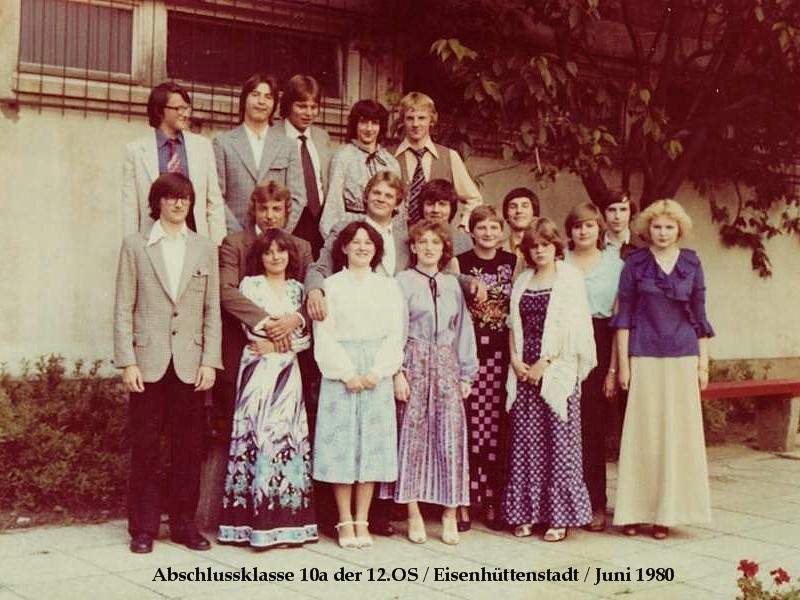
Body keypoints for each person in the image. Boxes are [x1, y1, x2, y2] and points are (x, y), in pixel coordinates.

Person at [113, 173, 222, 554]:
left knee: (187, 448)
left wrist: (210, 361)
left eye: (185, 198)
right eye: (171, 197)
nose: (179, 204)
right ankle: (143, 528)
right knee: (146, 447)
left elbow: (211, 310)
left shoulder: (203, 247)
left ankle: (184, 525)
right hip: (148, 362)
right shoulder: (136, 245)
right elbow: (123, 307)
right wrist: (127, 361)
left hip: (190, 363)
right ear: (157, 202)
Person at [612, 199, 714, 540]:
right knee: (642, 434)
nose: (663, 232)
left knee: (676, 435)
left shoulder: (692, 262)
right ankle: (633, 512)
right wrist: (623, 365)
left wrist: (703, 364)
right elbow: (624, 316)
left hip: (683, 356)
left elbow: (700, 315)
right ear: (647, 229)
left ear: (679, 230)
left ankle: (666, 515)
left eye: (669, 227)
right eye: (657, 226)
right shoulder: (635, 263)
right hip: (644, 354)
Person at [217, 230, 318, 548]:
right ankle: (250, 524)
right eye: (269, 252)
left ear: (290, 255)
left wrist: (279, 342)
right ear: (260, 258)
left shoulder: (298, 290)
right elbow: (251, 330)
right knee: (258, 437)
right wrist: (275, 335)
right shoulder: (250, 286)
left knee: (285, 439)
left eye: (281, 251)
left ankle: (287, 523)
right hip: (257, 371)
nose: (276, 257)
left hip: (287, 372)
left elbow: (305, 338)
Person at [502, 217, 596, 542]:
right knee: (526, 443)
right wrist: (516, 360)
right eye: (534, 246)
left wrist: (546, 362)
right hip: (524, 369)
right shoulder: (523, 280)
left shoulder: (569, 278)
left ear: (556, 246)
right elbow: (513, 324)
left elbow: (575, 328)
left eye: (545, 245)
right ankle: (526, 512)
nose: (540, 251)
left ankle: (559, 517)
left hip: (556, 369)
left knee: (558, 443)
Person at [312, 222, 405, 549]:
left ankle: (362, 519)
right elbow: (324, 334)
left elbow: (396, 333)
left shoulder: (388, 287)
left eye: (368, 243)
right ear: (344, 247)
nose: (362, 247)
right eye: (356, 242)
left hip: (376, 371)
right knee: (342, 446)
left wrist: (378, 372)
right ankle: (344, 520)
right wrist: (346, 372)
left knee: (371, 448)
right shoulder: (331, 286)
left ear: (376, 249)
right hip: (342, 372)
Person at [386, 221, 479, 546]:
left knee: (450, 436)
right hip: (414, 362)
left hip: (446, 365)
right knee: (412, 437)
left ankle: (450, 513)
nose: (428, 248)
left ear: (444, 249)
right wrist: (397, 371)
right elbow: (394, 329)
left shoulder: (451, 284)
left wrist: (466, 373)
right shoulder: (402, 282)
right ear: (413, 247)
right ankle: (413, 513)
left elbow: (463, 329)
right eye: (422, 242)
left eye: (435, 243)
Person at [455, 205, 516, 531]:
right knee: (467, 424)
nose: (488, 233)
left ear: (501, 231)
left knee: (493, 428)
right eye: (482, 227)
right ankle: (464, 500)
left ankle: (492, 498)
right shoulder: (460, 263)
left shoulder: (513, 262)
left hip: (499, 355)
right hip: (469, 353)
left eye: (494, 227)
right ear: (472, 231)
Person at [563, 202, 624, 532]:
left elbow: (619, 321)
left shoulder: (615, 265)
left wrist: (613, 369)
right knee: (563, 424)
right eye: (577, 225)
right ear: (569, 231)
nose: (583, 231)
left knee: (592, 427)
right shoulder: (559, 262)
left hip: (600, 340)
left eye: (589, 225)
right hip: (564, 342)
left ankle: (596, 502)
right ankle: (564, 503)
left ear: (599, 228)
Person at [122, 82, 225, 245]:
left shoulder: (202, 147)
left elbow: (214, 201)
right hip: (153, 241)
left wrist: (217, 244)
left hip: (194, 239)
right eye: (178, 108)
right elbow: (130, 206)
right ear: (160, 110)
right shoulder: (136, 150)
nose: (185, 114)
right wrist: (132, 246)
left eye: (187, 108)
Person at [212, 73, 305, 234]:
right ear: (244, 99)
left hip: (275, 240)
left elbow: (298, 197)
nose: (261, 102)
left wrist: (277, 233)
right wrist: (239, 236)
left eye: (268, 97)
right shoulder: (223, 143)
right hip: (236, 237)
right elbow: (216, 196)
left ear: (274, 104)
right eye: (255, 95)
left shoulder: (287, 145)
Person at [393, 92, 482, 229]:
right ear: (402, 121)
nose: (415, 124)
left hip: (438, 237)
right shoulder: (389, 157)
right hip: (397, 235)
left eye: (422, 118)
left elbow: (474, 199)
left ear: (432, 120)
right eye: (410, 118)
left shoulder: (449, 156)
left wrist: (463, 227)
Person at [319, 100, 401, 237]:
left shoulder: (390, 162)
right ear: (355, 124)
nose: (369, 129)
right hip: (352, 230)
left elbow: (398, 208)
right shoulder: (343, 156)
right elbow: (334, 202)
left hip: (383, 230)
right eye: (363, 122)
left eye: (374, 123)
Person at [275, 75, 333, 257]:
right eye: (301, 106)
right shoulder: (273, 134)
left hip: (319, 221)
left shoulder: (322, 137)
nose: (308, 113)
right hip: (289, 220)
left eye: (313, 107)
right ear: (288, 105)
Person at [417, 179, 474, 257]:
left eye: (442, 204)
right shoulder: (412, 239)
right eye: (430, 204)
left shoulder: (463, 240)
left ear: (452, 208)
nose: (436, 210)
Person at [501, 187, 540, 275]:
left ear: (534, 212)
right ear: (506, 215)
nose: (519, 211)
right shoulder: (496, 250)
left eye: (525, 206)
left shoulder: (545, 249)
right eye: (513, 207)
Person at [599, 190, 641, 259]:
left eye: (623, 209)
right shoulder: (593, 244)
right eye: (612, 210)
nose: (617, 216)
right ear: (604, 213)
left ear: (630, 213)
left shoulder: (642, 248)